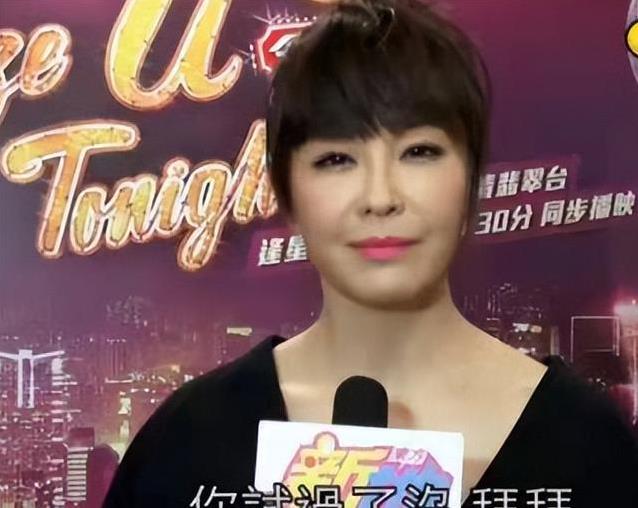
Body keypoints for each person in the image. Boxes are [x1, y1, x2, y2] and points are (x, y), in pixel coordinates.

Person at [103, 0, 638, 506]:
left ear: (472, 179)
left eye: (419, 152)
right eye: (337, 159)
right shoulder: (188, 442)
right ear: (286, 193)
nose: (380, 198)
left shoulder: (587, 444)